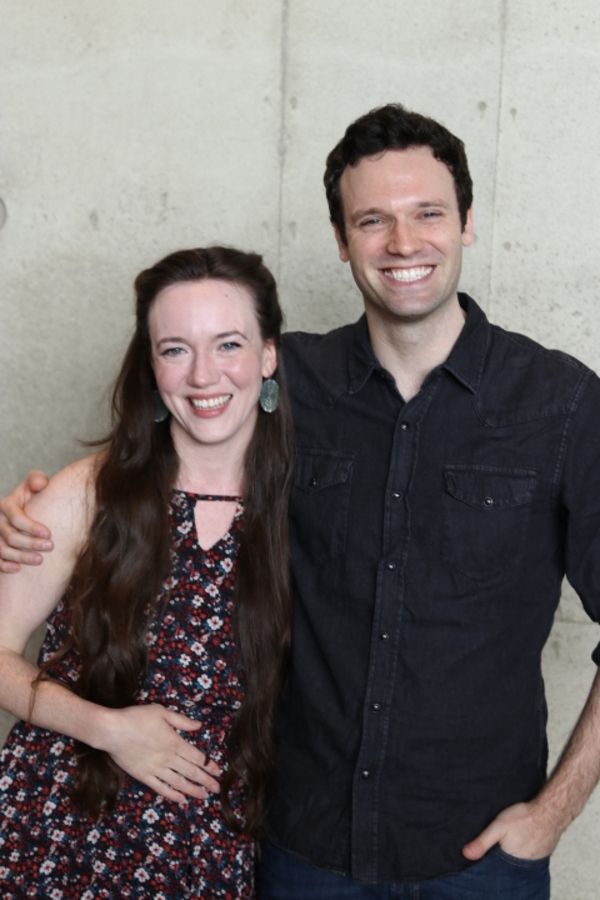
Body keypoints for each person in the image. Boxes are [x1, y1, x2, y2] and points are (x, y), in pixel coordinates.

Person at [3, 104, 600, 899]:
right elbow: (161, 445)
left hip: (480, 857)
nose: (403, 243)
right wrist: (33, 510)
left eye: (428, 213)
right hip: (298, 848)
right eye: (371, 220)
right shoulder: (291, 385)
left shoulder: (560, 404)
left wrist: (554, 815)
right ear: (340, 238)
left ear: (466, 223)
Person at [0, 246, 293, 898]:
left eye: (228, 344)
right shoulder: (89, 493)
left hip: (215, 846)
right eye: (175, 350)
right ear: (150, 367)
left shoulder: (304, 511)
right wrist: (108, 730)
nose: (203, 375)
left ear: (268, 357)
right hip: (69, 829)